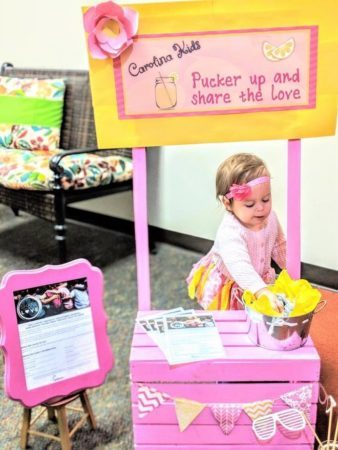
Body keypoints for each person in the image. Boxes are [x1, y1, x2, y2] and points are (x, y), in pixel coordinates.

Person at [187, 152, 286, 312]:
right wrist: (260, 290)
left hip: (260, 280)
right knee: (231, 321)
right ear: (227, 203)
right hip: (232, 284)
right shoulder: (230, 231)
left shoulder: (271, 218)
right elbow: (239, 265)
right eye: (249, 204)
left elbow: (279, 244)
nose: (261, 208)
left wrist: (291, 270)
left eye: (266, 199)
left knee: (258, 318)